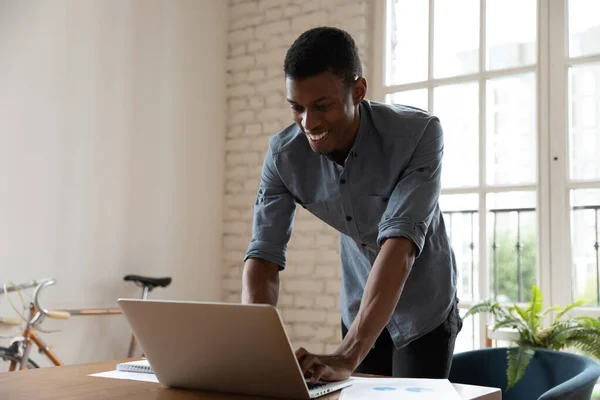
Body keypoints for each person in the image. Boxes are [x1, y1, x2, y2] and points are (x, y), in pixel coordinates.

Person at [241, 26, 462, 383]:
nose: (308, 123)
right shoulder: (283, 157)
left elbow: (400, 248)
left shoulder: (419, 135)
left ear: (358, 91)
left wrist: (347, 355)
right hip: (359, 306)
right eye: (297, 108)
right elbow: (263, 257)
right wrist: (250, 348)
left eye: (322, 106)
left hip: (424, 309)